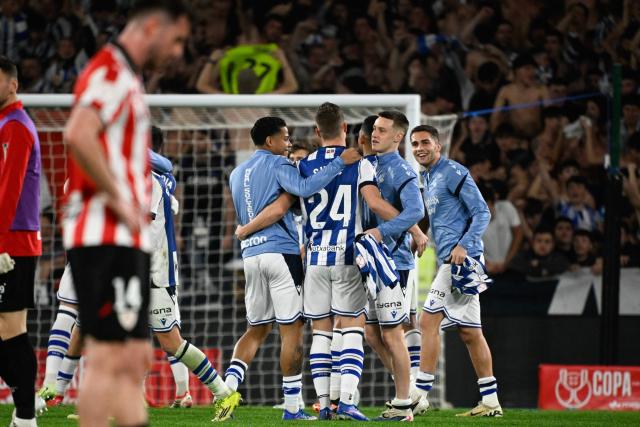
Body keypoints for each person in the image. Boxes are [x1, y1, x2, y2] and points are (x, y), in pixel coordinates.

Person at [62, 2, 190, 426]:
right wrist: (121, 199)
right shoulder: (110, 72)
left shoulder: (127, 78)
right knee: (110, 356)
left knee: (134, 355)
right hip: (104, 235)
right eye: (176, 40)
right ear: (152, 27)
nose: (177, 52)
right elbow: (78, 133)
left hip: (125, 239)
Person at [227, 115, 361, 421]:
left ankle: (226, 389)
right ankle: (292, 407)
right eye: (285, 138)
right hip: (280, 254)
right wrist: (340, 163)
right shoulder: (279, 164)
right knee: (292, 330)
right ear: (271, 141)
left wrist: (246, 231)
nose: (288, 144)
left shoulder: (237, 173)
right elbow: (303, 187)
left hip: (250, 257)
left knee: (256, 329)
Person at [411, 124, 503, 417]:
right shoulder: (427, 177)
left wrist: (463, 245)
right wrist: (421, 235)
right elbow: (439, 217)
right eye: (414, 144)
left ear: (438, 146)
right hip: (453, 260)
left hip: (461, 261)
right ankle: (491, 400)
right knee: (470, 333)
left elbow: (482, 212)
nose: (419, 148)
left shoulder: (452, 171)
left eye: (425, 142)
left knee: (427, 324)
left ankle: (419, 394)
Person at [367, 111, 428, 420]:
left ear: (397, 137)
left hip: (394, 261)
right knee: (371, 334)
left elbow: (415, 210)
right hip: (370, 261)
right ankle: (411, 390)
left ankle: (404, 402)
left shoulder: (402, 169)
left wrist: (382, 231)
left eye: (382, 130)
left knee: (392, 333)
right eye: (374, 129)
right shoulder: (370, 164)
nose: (375, 134)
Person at [0, 55, 44, 427]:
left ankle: (26, 414)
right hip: (7, 241)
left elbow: (9, 190)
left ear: (13, 84)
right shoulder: (4, 124)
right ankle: (26, 401)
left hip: (11, 245)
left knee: (11, 330)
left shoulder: (15, 126)